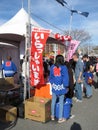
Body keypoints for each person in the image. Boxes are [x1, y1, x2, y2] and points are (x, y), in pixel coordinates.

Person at [49, 55, 69, 123]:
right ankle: (60, 118)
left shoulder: (52, 66)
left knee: (53, 100)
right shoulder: (64, 67)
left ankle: (52, 115)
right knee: (61, 102)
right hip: (61, 87)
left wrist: (52, 83)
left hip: (55, 86)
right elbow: (65, 77)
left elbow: (51, 76)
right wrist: (66, 86)